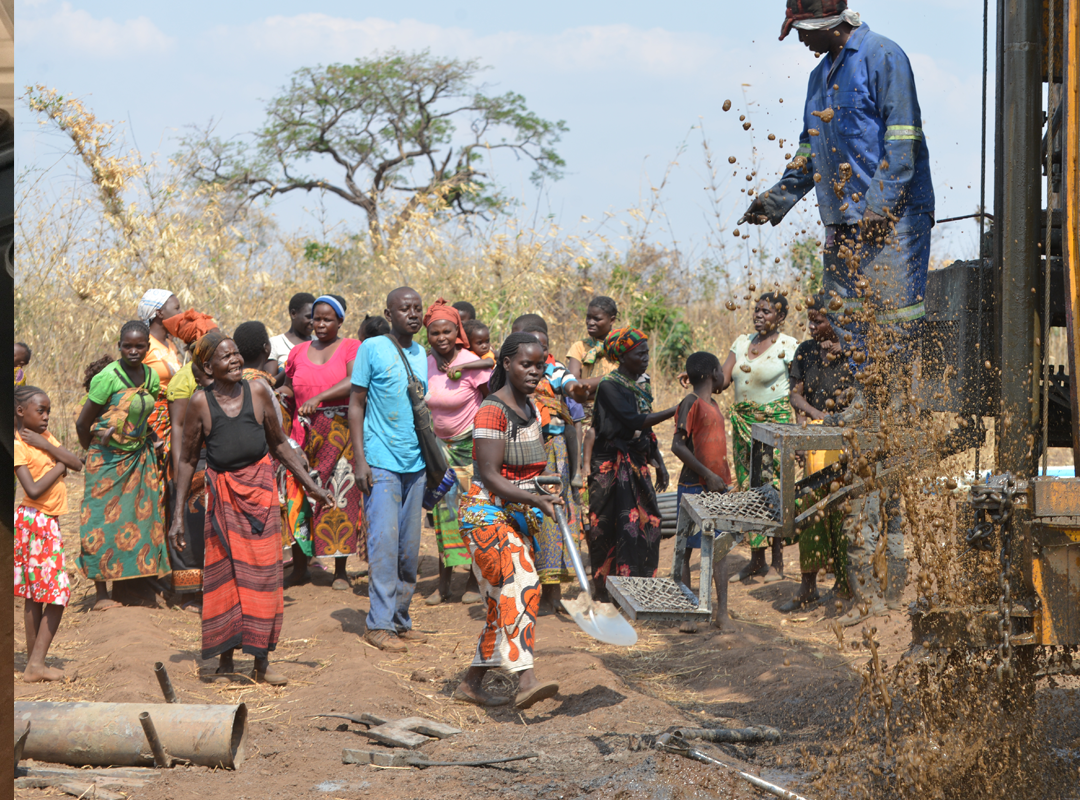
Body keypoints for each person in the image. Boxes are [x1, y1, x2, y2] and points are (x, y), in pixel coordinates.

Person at [742, 0, 934, 424]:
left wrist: (879, 208)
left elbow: (903, 140)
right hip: (843, 217)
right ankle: (870, 398)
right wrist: (777, 199)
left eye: (802, 30)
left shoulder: (882, 56)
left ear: (826, 24)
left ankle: (899, 403)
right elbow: (809, 149)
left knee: (895, 311)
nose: (800, 39)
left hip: (895, 215)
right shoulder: (818, 78)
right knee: (843, 309)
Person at [170, 332, 331, 685]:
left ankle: (261, 661)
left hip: (260, 494)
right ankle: (225, 659)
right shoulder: (200, 402)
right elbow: (187, 460)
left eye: (236, 355)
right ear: (207, 366)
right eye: (225, 357)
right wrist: (177, 515)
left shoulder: (257, 392)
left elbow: (279, 445)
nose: (235, 361)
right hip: (223, 497)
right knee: (224, 576)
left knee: (264, 578)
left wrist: (311, 484)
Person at [454, 333, 563, 709]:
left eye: (540, 365)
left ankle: (471, 683)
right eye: (526, 364)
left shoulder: (531, 409)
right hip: (483, 515)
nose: (534, 372)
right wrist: (534, 497)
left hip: (513, 514)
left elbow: (530, 468)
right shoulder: (491, 410)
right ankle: (526, 678)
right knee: (521, 581)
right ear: (505, 364)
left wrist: (544, 491)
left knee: (500, 600)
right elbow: (488, 475)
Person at [349, 287, 428, 653]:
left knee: (409, 549)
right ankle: (378, 624)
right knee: (384, 543)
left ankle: (400, 618)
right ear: (389, 313)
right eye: (404, 309)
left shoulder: (421, 353)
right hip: (381, 461)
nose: (412, 314)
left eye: (417, 309)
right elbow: (356, 404)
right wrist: (360, 459)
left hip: (416, 462)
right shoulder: (372, 348)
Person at [76, 321, 170, 611]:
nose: (133, 351)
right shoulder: (107, 378)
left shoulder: (151, 377)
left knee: (135, 522)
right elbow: (83, 422)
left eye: (139, 346)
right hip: (106, 461)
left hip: (138, 459)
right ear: (119, 345)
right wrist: (93, 449)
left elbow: (143, 416)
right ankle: (102, 595)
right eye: (127, 345)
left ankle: (126, 587)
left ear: (147, 347)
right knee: (100, 524)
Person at [281, 296, 364, 590]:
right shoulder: (299, 351)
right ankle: (301, 566)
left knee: (338, 496)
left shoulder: (351, 347)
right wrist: (278, 393)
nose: (320, 325)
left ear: (340, 322)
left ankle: (339, 570)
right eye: (316, 319)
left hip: (340, 433)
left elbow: (355, 381)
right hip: (304, 435)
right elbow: (290, 386)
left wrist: (319, 398)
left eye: (327, 319)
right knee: (300, 495)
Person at [587, 328, 677, 592]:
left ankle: (637, 585)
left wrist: (657, 460)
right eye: (640, 353)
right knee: (606, 525)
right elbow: (634, 421)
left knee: (646, 521)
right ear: (623, 357)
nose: (646, 357)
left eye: (647, 352)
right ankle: (606, 591)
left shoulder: (642, 382)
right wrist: (676, 409)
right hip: (610, 465)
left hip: (636, 460)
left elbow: (645, 427)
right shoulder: (609, 385)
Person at [513, 315, 589, 615]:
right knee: (525, 520)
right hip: (520, 451)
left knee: (554, 520)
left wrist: (575, 388)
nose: (539, 355)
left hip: (552, 453)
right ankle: (525, 592)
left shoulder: (555, 371)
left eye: (543, 348)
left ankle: (552, 592)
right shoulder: (513, 374)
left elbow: (570, 387)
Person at [784, 296, 852, 611]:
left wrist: (834, 424)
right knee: (810, 511)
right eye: (810, 321)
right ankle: (808, 584)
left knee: (841, 511)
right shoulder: (805, 351)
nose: (813, 327)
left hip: (846, 442)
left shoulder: (853, 351)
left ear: (835, 321)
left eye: (819, 321)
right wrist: (806, 428)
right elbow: (796, 397)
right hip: (815, 439)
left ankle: (843, 583)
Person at [724, 292, 798, 583]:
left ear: (780, 317)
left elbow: (796, 388)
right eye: (757, 310)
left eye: (766, 312)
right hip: (743, 425)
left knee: (773, 488)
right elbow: (722, 378)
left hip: (774, 425)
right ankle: (756, 560)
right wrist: (698, 374)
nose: (759, 315)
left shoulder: (789, 346)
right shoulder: (742, 343)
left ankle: (778, 563)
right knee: (749, 487)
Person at [14, 385, 83, 682]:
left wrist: (51, 450)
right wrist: (58, 467)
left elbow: (77, 463)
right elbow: (33, 488)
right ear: (21, 412)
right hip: (35, 521)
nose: (45, 417)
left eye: (48, 412)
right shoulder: (18, 444)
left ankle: (34, 664)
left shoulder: (43, 439)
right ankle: (36, 664)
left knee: (37, 595)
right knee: (56, 595)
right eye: (40, 411)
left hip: (43, 521)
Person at [422, 299, 488, 606]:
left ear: (457, 331)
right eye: (435, 333)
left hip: (469, 448)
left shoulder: (471, 360)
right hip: (439, 451)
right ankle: (444, 583)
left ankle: (474, 581)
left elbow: (490, 404)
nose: (441, 338)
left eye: (447, 331)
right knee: (443, 514)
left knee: (472, 513)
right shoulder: (425, 363)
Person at [671, 351, 733, 633]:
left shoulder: (714, 404)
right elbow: (678, 445)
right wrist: (707, 474)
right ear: (711, 373)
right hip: (694, 486)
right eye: (721, 370)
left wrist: (719, 478)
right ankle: (690, 612)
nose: (724, 375)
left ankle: (721, 612)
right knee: (686, 550)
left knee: (719, 549)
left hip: (716, 488)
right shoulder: (691, 403)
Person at [162, 310, 220, 610]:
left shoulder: (226, 374)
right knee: (190, 519)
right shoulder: (184, 380)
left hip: (219, 456)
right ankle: (188, 591)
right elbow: (179, 429)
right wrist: (178, 471)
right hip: (194, 458)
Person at [567, 297, 620, 483]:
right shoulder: (579, 347)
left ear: (612, 320)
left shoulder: (621, 349)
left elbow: (626, 382)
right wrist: (610, 378)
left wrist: (587, 385)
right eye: (588, 317)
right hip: (584, 416)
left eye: (597, 319)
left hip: (613, 416)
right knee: (582, 473)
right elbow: (573, 384)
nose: (590, 322)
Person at [138, 289, 183, 460]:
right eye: (177, 308)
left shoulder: (171, 345)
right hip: (152, 421)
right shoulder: (144, 345)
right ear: (159, 313)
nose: (181, 313)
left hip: (174, 418)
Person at [267, 292, 316, 375]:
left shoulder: (319, 342)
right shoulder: (275, 343)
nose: (313, 322)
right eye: (308, 317)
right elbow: (270, 383)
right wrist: (291, 366)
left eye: (315, 318)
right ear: (293, 314)